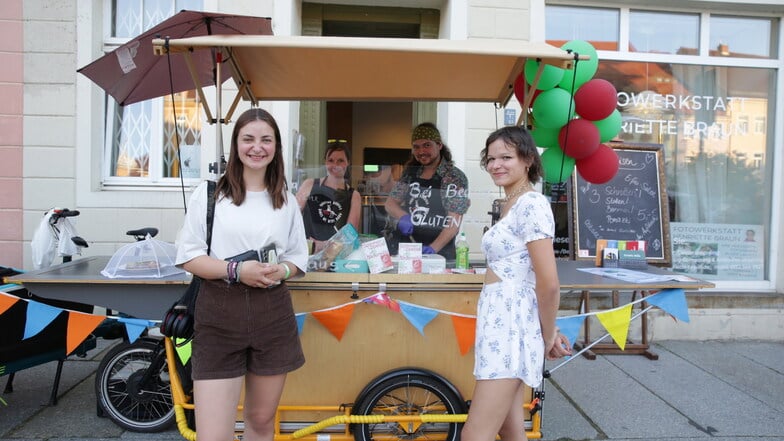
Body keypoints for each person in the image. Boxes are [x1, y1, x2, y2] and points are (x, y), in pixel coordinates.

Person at [175, 108, 309, 441]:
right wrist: (236, 270)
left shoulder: (286, 200)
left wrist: (282, 270)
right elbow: (189, 256)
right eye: (248, 139)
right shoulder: (210, 195)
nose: (257, 147)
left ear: (276, 146)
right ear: (236, 144)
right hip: (219, 314)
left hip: (272, 313)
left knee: (261, 422)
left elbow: (297, 257)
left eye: (266, 139)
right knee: (213, 434)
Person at [461, 126, 571, 441]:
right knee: (511, 432)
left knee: (475, 434)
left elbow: (548, 282)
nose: (496, 164)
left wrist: (548, 334)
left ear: (527, 160)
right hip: (501, 323)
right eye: (491, 158)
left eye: (506, 157)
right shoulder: (511, 203)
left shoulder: (531, 204)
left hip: (511, 329)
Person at [384, 122, 470, 259]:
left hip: (440, 254)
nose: (421, 151)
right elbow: (390, 203)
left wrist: (432, 249)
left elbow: (454, 223)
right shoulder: (410, 174)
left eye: (427, 145)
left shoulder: (454, 177)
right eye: (416, 147)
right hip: (408, 251)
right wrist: (402, 216)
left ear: (439, 145)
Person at [296, 141, 361, 253]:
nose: (335, 165)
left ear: (348, 163)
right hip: (307, 249)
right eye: (330, 160)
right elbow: (293, 216)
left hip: (335, 253)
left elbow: (350, 232)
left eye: (340, 161)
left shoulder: (354, 195)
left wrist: (326, 245)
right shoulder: (309, 184)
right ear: (325, 162)